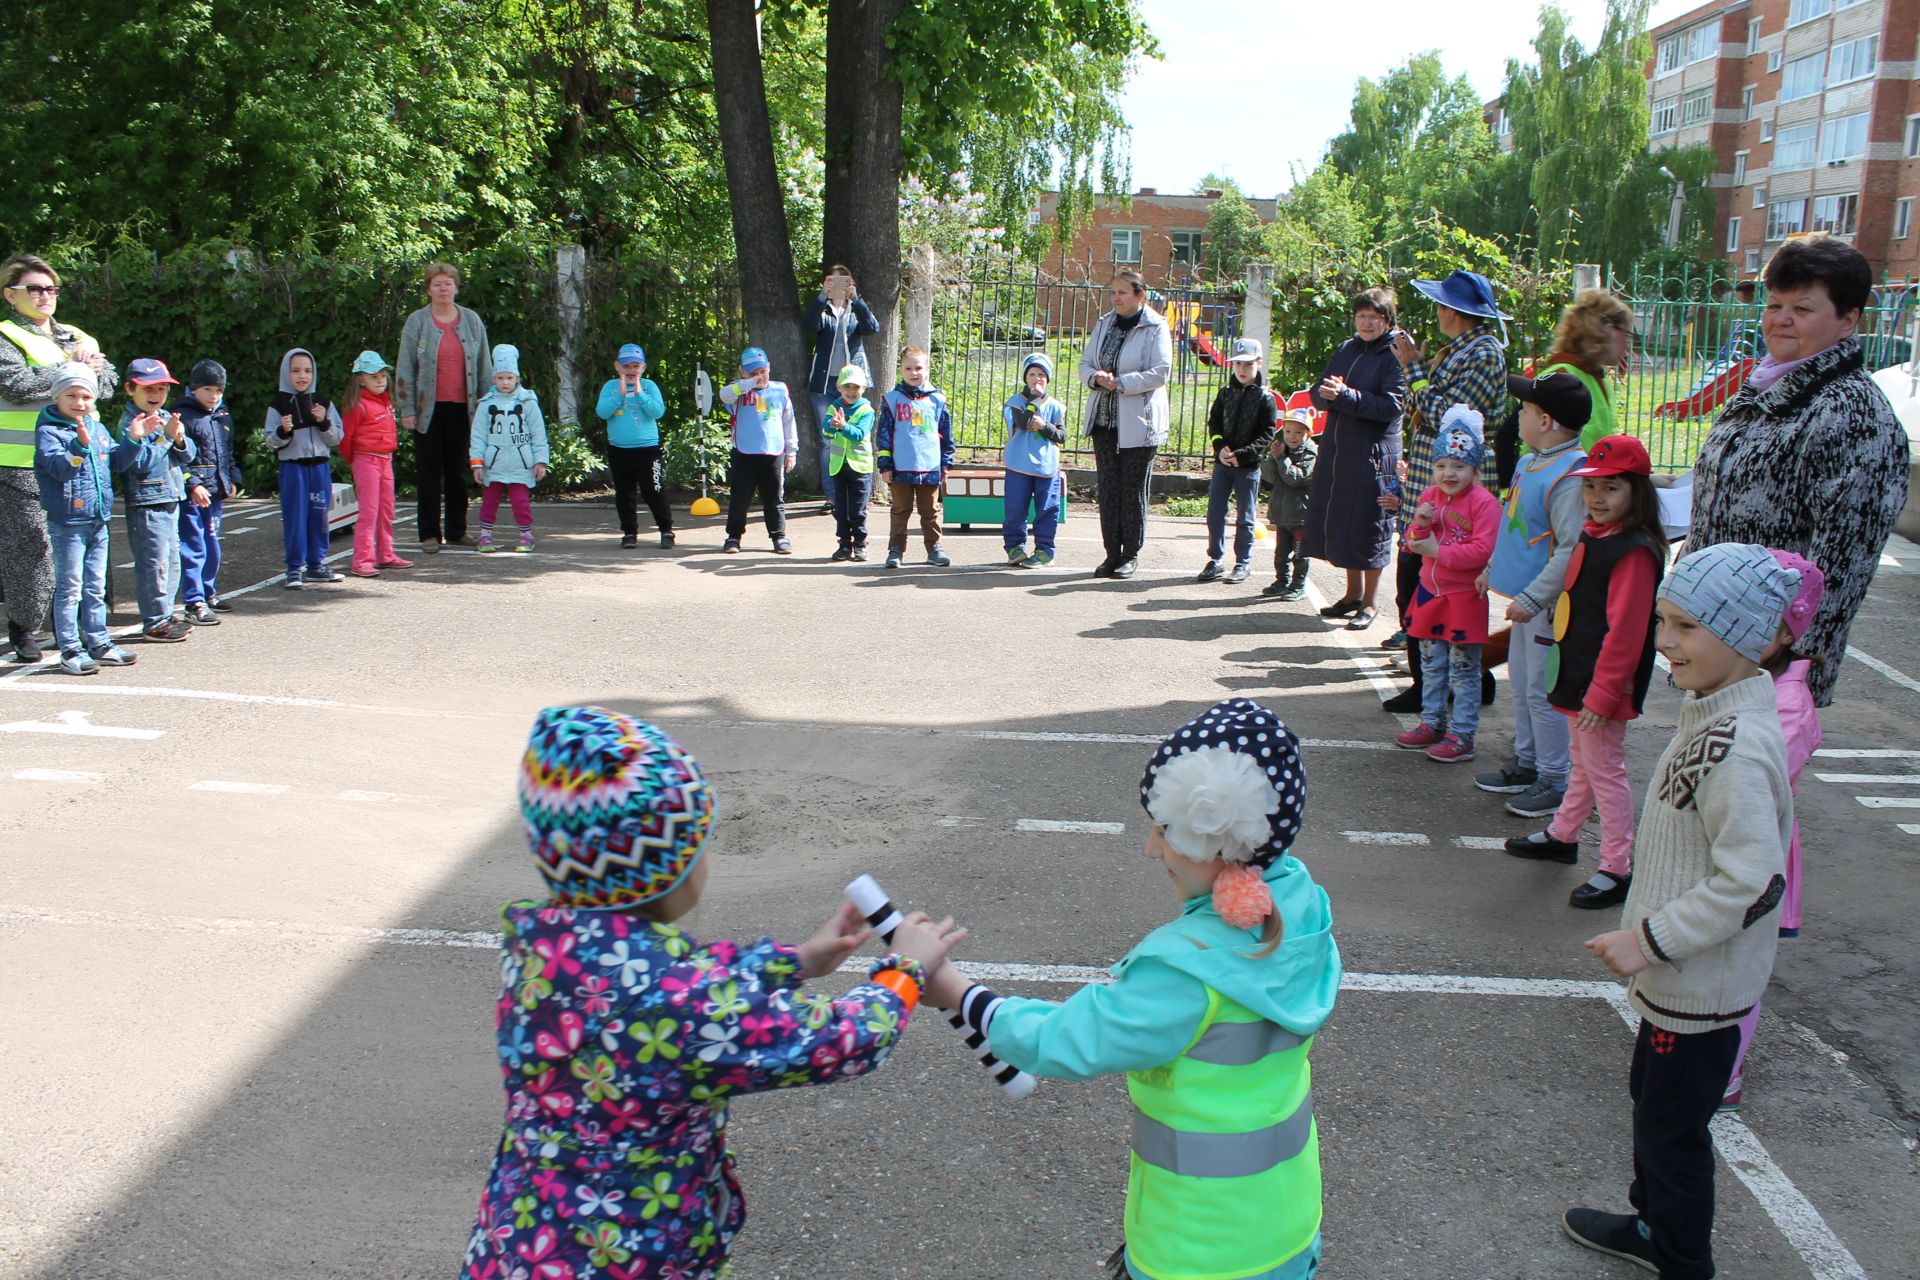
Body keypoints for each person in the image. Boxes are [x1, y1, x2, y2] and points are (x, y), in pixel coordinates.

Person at [462, 705, 966, 1280]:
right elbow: (840, 1041)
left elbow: (687, 979)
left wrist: (793, 962)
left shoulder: (542, 947)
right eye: (697, 843)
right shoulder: (679, 1000)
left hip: (521, 1242)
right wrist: (906, 971)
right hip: (630, 1256)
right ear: (665, 868)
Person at [925, 697, 1338, 1280]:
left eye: (1167, 830)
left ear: (1220, 841)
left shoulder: (1186, 970)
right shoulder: (1301, 906)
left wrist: (956, 992)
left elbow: (1065, 1040)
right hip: (1285, 1225)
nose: (1151, 848)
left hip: (1197, 1249)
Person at [1568, 543, 1800, 1280]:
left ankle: (1680, 1259)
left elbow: (1755, 882)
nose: (1665, 641)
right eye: (1665, 622)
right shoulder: (1712, 714)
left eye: (1687, 626)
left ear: (1752, 637)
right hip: (1680, 986)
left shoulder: (1736, 746)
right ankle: (1651, 1223)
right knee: (1654, 1106)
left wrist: (1652, 940)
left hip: (1696, 985)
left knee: (1672, 1131)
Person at [1683, 234, 1910, 709]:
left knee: (1744, 781)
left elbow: (1844, 564)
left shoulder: (1852, 414)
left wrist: (1795, 668)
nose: (1780, 320)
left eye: (1802, 309)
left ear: (1848, 320)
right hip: (1716, 643)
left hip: (1765, 668)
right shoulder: (1767, 385)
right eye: (1774, 304)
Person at [1502, 436, 1666, 911]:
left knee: (1605, 770)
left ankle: (1617, 867)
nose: (1596, 498)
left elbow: (1627, 632)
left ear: (1637, 492)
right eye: (1591, 488)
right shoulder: (1595, 537)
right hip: (1577, 671)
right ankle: (1563, 834)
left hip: (1601, 684)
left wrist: (1601, 694)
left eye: (1611, 489)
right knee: (1585, 761)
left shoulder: (1633, 551)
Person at [1723, 548, 1826, 1111]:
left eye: (1754, 624)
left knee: (1742, 966)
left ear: (1786, 633)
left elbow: (1757, 785)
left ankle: (1726, 1070)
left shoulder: (1788, 704)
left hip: (1756, 853)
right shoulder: (1741, 681)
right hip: (1720, 842)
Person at [1380, 270, 1510, 709]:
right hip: (1429, 488)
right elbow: (1425, 407)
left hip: (1458, 496)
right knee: (1416, 588)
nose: (1436, 312)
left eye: (1440, 305)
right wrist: (1419, 372)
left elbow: (1454, 422)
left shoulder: (1484, 353)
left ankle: (1441, 687)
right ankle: (1437, 684)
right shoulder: (1457, 351)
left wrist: (1414, 369)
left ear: (1454, 312)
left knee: (1445, 591)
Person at [1477, 372, 1591, 820]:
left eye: (1524, 411)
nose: (1517, 417)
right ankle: (1527, 762)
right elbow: (1513, 526)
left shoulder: (1570, 476)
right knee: (1523, 688)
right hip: (1525, 604)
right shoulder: (1532, 462)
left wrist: (1535, 597)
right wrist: (1492, 568)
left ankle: (1554, 778)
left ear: (1545, 420)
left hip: (1544, 608)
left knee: (1543, 692)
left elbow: (1569, 548)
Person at [2, 254, 118, 664]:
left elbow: (106, 383)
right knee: (30, 549)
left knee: (83, 547)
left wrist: (89, 372)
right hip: (19, 462)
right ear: (10, 296)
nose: (45, 295)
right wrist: (69, 370)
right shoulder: (5, 336)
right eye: (34, 288)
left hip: (82, 459)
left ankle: (83, 629)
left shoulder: (76, 336)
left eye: (51, 288)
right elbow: (15, 385)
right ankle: (24, 627)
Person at [1393, 407, 1501, 763]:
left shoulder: (1484, 503)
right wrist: (1420, 527)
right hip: (1430, 592)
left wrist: (1438, 549)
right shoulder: (1430, 496)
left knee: (1465, 670)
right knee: (1431, 664)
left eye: (1458, 466)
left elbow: (1483, 548)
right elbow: (1413, 539)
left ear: (1474, 469)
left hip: (1464, 596)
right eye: (1441, 466)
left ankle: (1463, 735)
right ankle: (1432, 723)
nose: (1448, 473)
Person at [1303, 288, 1406, 623]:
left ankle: (1371, 603)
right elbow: (1321, 390)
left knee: (1370, 526)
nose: (1366, 322)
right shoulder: (1347, 348)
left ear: (1387, 320)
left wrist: (1345, 395)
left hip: (1374, 455)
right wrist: (1328, 395)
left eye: (1374, 317)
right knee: (1345, 522)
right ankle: (1351, 594)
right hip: (1339, 451)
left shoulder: (1394, 355)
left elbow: (1392, 406)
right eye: (1361, 316)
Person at [32, 364, 137, 676]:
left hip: (98, 518)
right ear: (57, 397)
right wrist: (78, 445)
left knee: (95, 586)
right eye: (71, 395)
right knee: (71, 587)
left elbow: (116, 462)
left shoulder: (97, 427)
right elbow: (60, 469)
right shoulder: (49, 430)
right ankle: (70, 649)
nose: (79, 402)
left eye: (86, 396)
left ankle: (100, 643)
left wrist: (133, 440)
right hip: (68, 521)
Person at [1079, 269, 1172, 579]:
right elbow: (1085, 364)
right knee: (1108, 489)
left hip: (1139, 423)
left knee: (1132, 490)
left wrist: (1120, 382)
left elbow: (1161, 372)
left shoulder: (1155, 326)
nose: (1116, 298)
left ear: (1139, 295)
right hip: (1104, 421)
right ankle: (1110, 553)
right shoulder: (1104, 323)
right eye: (1113, 292)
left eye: (1122, 292)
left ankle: (1130, 553)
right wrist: (1095, 377)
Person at [395, 262, 491, 554]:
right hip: (428, 410)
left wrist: (487, 408)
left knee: (458, 471)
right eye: (437, 284)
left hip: (464, 409)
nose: (443, 289)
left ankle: (457, 530)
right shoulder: (417, 322)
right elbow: (405, 368)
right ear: (428, 289)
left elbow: (484, 366)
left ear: (456, 287)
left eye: (448, 283)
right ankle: (429, 534)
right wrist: (407, 408)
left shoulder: (472, 321)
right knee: (428, 472)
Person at [116, 360, 197, 644]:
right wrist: (165, 439)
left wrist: (179, 439)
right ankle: (155, 621)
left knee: (172, 561)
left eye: (161, 388)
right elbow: (139, 462)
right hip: (146, 503)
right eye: (148, 388)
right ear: (129, 389)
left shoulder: (164, 416)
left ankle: (165, 614)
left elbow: (187, 455)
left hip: (171, 497)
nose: (156, 394)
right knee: (154, 565)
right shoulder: (132, 423)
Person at [1198, 338, 1278, 585]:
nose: (1242, 370)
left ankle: (1243, 563)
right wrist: (1220, 447)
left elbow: (1267, 432)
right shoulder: (1225, 393)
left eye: (1247, 364)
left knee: (1245, 516)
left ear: (1259, 364)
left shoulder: (1266, 398)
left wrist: (1242, 454)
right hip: (1223, 465)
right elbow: (1214, 424)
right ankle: (1215, 559)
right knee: (1215, 513)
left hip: (1248, 467)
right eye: (1237, 364)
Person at [265, 347, 344, 591]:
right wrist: (282, 432)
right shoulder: (278, 405)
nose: (302, 376)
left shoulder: (323, 403)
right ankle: (294, 568)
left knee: (319, 517)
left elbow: (337, 438)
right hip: (293, 469)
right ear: (285, 373)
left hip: (319, 468)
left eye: (308, 371)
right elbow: (269, 441)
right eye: (296, 370)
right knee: (295, 519)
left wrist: (324, 422)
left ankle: (317, 565)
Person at [803, 265, 879, 499]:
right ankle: (832, 497)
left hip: (852, 385)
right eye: (832, 282)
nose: (838, 287)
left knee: (856, 435)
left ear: (851, 284)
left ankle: (857, 491)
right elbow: (808, 326)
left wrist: (856, 300)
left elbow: (873, 328)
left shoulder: (855, 310)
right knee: (829, 440)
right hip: (825, 385)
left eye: (843, 282)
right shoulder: (823, 309)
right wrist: (821, 298)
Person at [173, 360, 242, 620]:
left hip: (215, 491)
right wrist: (193, 484)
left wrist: (232, 479)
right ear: (194, 388)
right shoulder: (183, 415)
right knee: (193, 545)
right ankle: (194, 601)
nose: (214, 396)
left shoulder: (222, 415)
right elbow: (178, 457)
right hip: (194, 494)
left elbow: (227, 452)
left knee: (212, 542)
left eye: (218, 390)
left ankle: (208, 591)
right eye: (208, 390)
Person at [877, 345, 955, 570]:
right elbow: (884, 435)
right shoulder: (892, 400)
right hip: (900, 467)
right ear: (901, 370)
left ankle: (935, 548)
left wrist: (946, 464)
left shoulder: (938, 400)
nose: (914, 373)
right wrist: (885, 464)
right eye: (908, 368)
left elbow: (946, 434)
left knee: (930, 512)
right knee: (900, 511)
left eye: (918, 367)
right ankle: (896, 550)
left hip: (929, 466)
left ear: (927, 368)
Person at [337, 351, 412, 578]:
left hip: (385, 459)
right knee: (369, 511)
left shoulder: (385, 402)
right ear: (361, 379)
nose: (380, 380)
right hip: (366, 459)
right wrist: (355, 461)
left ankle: (385, 554)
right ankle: (362, 560)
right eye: (373, 376)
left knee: (387, 509)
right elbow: (345, 438)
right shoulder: (357, 405)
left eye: (382, 375)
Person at [469, 345, 549, 554]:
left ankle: (526, 535)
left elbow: (538, 433)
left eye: (509, 378)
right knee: (489, 501)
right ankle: (485, 535)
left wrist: (540, 460)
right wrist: (477, 462)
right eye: (500, 378)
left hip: (520, 463)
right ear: (494, 379)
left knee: (520, 501)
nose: (505, 382)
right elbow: (478, 435)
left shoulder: (528, 402)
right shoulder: (486, 404)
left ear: (517, 379)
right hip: (493, 463)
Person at [719, 345, 798, 555]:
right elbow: (724, 395)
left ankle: (779, 536)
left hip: (773, 453)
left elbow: (788, 421)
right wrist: (747, 384)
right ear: (742, 372)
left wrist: (791, 451)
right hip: (744, 454)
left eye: (762, 372)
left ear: (769, 368)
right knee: (740, 498)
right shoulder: (738, 391)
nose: (759, 377)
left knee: (774, 498)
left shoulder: (780, 390)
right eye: (752, 373)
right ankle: (733, 537)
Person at [596, 342, 674, 549]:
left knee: (653, 490)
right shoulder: (610, 387)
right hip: (619, 450)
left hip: (647, 449)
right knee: (625, 492)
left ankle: (666, 530)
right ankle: (629, 532)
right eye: (626, 366)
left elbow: (657, 412)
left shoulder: (649, 386)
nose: (631, 370)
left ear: (643, 367)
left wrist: (640, 393)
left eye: (635, 366)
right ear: (617, 366)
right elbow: (602, 412)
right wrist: (619, 395)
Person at [1001, 351, 1066, 569]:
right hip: (1019, 464)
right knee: (1016, 508)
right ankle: (1014, 547)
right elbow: (1024, 421)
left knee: (1047, 508)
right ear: (1025, 378)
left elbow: (1061, 436)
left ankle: (1044, 550)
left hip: (1046, 466)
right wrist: (1034, 400)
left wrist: (1045, 426)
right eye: (1032, 374)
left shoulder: (1056, 407)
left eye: (1041, 375)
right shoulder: (1015, 403)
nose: (1036, 379)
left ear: (1047, 379)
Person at [1260, 408, 1318, 599]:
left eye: (1299, 432)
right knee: (1281, 553)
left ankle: (1298, 584)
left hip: (1300, 514)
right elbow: (1270, 478)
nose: (1292, 436)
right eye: (1288, 431)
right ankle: (1281, 581)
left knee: (1300, 554)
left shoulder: (1310, 454)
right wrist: (1272, 458)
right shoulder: (1280, 450)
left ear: (1308, 433)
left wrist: (1282, 460)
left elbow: (1295, 479)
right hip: (1282, 512)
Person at [824, 363, 876, 561]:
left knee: (858, 510)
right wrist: (831, 426)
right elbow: (825, 432)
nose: (851, 392)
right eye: (847, 387)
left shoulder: (866, 410)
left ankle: (860, 543)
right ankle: (844, 544)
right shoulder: (834, 407)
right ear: (839, 388)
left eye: (856, 387)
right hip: (839, 467)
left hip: (860, 468)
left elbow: (859, 435)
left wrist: (843, 425)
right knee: (841, 510)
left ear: (863, 388)